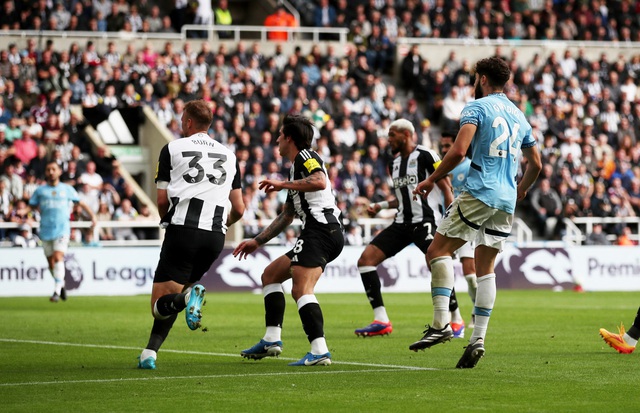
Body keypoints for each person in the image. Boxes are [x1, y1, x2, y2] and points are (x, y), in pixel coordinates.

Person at [411, 57, 542, 368]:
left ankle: (441, 324)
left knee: (436, 251)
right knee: (486, 268)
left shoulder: (476, 107)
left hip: (480, 190)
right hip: (507, 199)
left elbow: (458, 151)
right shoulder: (519, 115)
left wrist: (430, 179)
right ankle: (478, 338)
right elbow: (536, 164)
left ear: (482, 79)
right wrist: (521, 188)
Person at [138, 100, 245, 370]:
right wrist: (222, 224)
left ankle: (186, 301)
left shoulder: (172, 148)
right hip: (214, 238)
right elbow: (240, 209)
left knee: (160, 304)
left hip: (182, 231)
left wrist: (166, 221)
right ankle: (149, 353)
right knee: (178, 294)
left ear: (187, 122)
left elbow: (161, 201)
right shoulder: (229, 155)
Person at [233, 115, 344, 366]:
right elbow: (288, 215)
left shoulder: (306, 156)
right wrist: (257, 241)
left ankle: (319, 351)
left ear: (290, 138)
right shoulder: (296, 169)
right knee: (270, 276)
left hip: (321, 230)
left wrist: (282, 184)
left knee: (301, 290)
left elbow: (320, 181)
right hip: (320, 232)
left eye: (280, 135)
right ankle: (272, 339)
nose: (276, 140)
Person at [353, 119, 453, 338]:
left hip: (424, 220)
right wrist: (380, 205)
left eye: (392, 134)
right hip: (401, 223)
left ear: (406, 135)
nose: (388, 139)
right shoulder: (394, 163)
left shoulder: (426, 155)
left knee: (436, 263)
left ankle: (454, 319)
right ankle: (381, 320)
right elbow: (402, 198)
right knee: (365, 261)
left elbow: (447, 188)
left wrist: (449, 219)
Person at [29, 161, 97, 302]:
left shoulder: (67, 189)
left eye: (54, 169)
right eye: (48, 169)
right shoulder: (40, 191)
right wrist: (23, 215)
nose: (51, 172)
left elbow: (81, 203)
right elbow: (31, 206)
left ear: (59, 171)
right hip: (46, 230)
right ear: (46, 172)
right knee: (51, 264)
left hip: (62, 230)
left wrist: (93, 216)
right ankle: (61, 285)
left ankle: (55, 291)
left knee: (58, 257)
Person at [439, 131, 478, 336]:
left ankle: (475, 311)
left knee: (470, 277)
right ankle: (450, 317)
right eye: (443, 146)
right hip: (447, 223)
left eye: (448, 146)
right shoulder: (440, 167)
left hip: (468, 223)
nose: (444, 149)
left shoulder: (470, 166)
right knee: (440, 265)